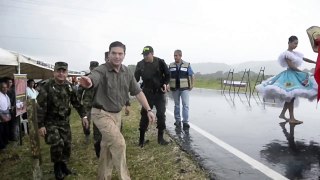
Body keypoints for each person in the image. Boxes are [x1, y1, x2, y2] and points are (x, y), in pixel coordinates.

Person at [79, 41, 155, 180]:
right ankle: (124, 177)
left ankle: (103, 177)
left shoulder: (127, 72)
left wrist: (149, 109)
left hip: (117, 114)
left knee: (107, 148)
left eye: (120, 54)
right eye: (113, 53)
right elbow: (94, 77)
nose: (117, 56)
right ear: (109, 54)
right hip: (101, 114)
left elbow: (137, 92)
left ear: (124, 55)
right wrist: (89, 81)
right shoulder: (102, 69)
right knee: (119, 143)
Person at [37, 62, 89, 180]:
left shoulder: (69, 86)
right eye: (58, 71)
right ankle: (57, 168)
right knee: (57, 143)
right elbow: (40, 107)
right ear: (54, 72)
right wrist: (40, 125)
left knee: (67, 144)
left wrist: (84, 116)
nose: (61, 74)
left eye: (63, 71)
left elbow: (76, 103)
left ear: (66, 73)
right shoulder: (47, 87)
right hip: (50, 122)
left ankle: (64, 165)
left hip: (64, 122)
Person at [256, 35, 317, 124]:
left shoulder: (296, 53)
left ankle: (283, 114)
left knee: (290, 96)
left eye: (297, 44)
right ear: (289, 43)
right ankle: (291, 118)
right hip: (290, 75)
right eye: (295, 43)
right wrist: (302, 72)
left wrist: (315, 61)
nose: (296, 45)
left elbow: (305, 59)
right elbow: (291, 66)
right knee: (290, 96)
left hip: (294, 75)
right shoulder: (286, 54)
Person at [134, 46, 171, 147]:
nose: (146, 56)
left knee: (161, 115)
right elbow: (135, 79)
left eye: (147, 54)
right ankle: (141, 141)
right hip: (147, 93)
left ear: (152, 53)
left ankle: (160, 139)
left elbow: (168, 75)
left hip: (159, 93)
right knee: (145, 115)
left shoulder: (160, 62)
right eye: (144, 55)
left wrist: (166, 83)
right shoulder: (140, 64)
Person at [168, 49, 195, 129]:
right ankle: (177, 121)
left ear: (180, 56)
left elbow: (192, 75)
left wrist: (192, 85)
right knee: (176, 105)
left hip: (184, 89)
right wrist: (168, 85)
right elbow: (168, 76)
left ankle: (185, 122)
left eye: (176, 55)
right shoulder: (171, 65)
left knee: (185, 105)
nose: (175, 57)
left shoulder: (187, 65)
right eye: (174, 55)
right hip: (175, 89)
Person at [78, 61, 100, 149]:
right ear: (90, 68)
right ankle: (87, 134)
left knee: (97, 121)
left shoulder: (100, 77)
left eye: (95, 68)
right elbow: (80, 90)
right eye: (92, 68)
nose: (94, 69)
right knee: (86, 120)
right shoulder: (87, 77)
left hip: (97, 103)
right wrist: (78, 101)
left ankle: (96, 137)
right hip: (87, 103)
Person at [0, 82, 11, 149]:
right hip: (0, 118)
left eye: (6, 87)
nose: (5, 89)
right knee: (1, 131)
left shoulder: (6, 96)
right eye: (3, 87)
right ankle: (1, 146)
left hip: (6, 117)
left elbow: (8, 107)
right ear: (0, 88)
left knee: (5, 130)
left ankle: (5, 142)